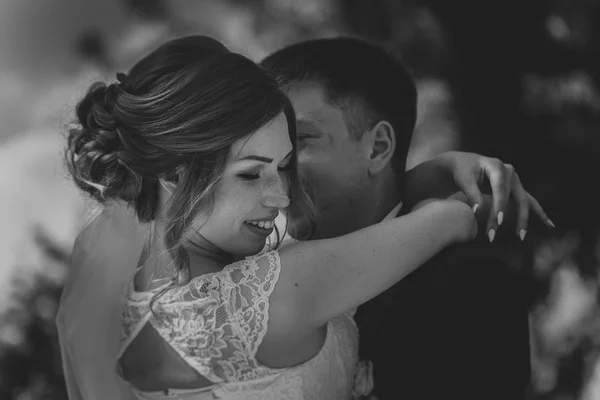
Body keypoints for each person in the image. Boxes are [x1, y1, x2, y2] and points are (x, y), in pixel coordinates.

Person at [260, 37, 553, 399]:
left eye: (299, 140)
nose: (272, 170)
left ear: (378, 147)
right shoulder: (250, 274)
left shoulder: (468, 286)